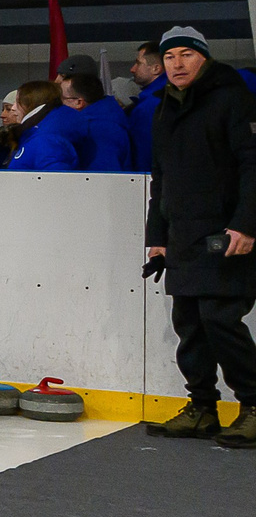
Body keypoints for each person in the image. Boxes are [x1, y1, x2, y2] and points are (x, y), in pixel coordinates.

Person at [145, 26, 256, 445]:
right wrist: (158, 236)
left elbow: (253, 165)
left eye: (186, 55)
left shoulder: (233, 99)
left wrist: (246, 224)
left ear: (204, 57)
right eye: (169, 56)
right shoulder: (164, 108)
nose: (177, 64)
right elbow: (161, 177)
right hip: (183, 235)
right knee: (189, 323)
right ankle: (202, 408)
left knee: (219, 319)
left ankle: (253, 405)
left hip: (225, 233)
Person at [57, 59, 131, 173]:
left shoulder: (100, 130)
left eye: (62, 98)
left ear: (78, 102)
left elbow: (102, 175)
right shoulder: (101, 120)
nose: (58, 103)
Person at [2, 80, 87, 171]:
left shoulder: (47, 139)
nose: (13, 108)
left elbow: (56, 177)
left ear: (31, 103)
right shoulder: (40, 133)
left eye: (18, 102)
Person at [127, 41, 167, 173]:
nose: (132, 69)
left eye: (138, 63)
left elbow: (143, 153)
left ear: (156, 68)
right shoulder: (170, 95)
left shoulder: (149, 106)